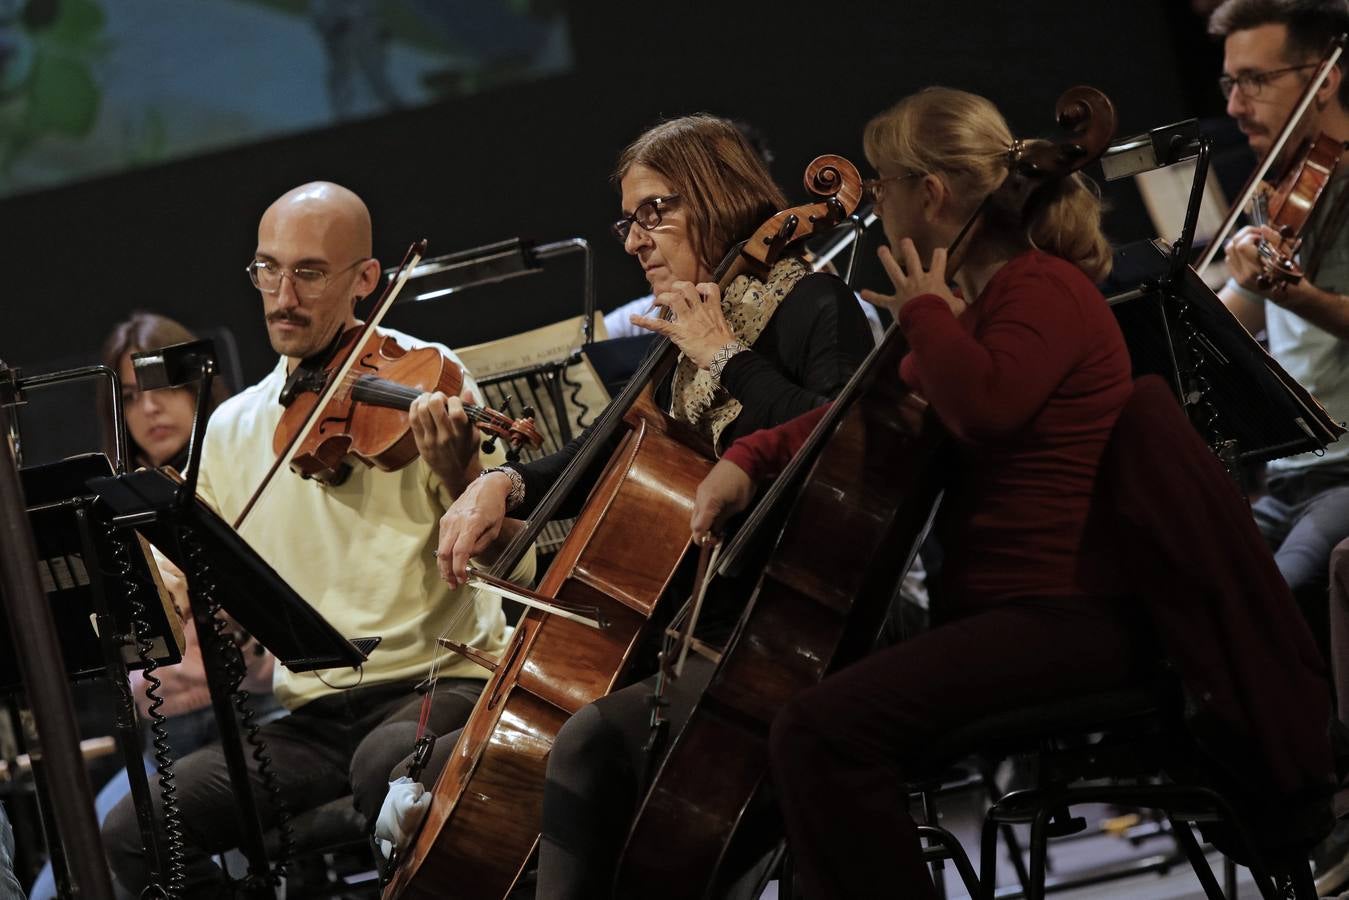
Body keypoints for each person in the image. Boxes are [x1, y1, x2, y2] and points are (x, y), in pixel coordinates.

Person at [689, 87, 1155, 900]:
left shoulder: (1038, 291)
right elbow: (870, 413)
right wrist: (751, 456)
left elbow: (983, 409)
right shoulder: (982, 308)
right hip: (1006, 620)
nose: (874, 203)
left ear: (929, 193)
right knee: (803, 722)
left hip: (1066, 620)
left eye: (881, 183)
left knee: (818, 731)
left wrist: (927, 314)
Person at [433, 114, 874, 898]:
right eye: (627, 222)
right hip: (703, 628)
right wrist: (503, 483)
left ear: (718, 198)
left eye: (654, 212)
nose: (635, 241)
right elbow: (607, 445)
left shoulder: (814, 305)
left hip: (799, 628)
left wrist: (726, 358)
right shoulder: (691, 326)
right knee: (470, 756)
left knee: (586, 744)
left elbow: (839, 450)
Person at [100, 182, 532, 897]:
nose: (283, 296)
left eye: (308, 273)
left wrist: (461, 473)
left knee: (386, 766)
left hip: (438, 683)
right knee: (136, 830)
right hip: (313, 719)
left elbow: (511, 564)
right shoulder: (233, 429)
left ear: (366, 280)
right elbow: (186, 567)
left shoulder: (428, 380)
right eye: (267, 270)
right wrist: (164, 585)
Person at [31, 313, 275, 900]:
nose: (150, 409)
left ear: (197, 386)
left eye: (163, 386)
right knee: (59, 887)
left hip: (256, 720)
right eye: (130, 396)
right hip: (163, 741)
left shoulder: (236, 475)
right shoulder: (113, 504)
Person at [1212, 0, 1349, 649]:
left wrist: (1296, 297)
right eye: (1229, 82)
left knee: (1278, 600)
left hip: (1346, 472)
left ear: (1323, 78)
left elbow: (1295, 302)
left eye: (1255, 81)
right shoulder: (1286, 188)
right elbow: (1230, 317)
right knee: (1192, 595)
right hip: (1289, 475)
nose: (1235, 105)